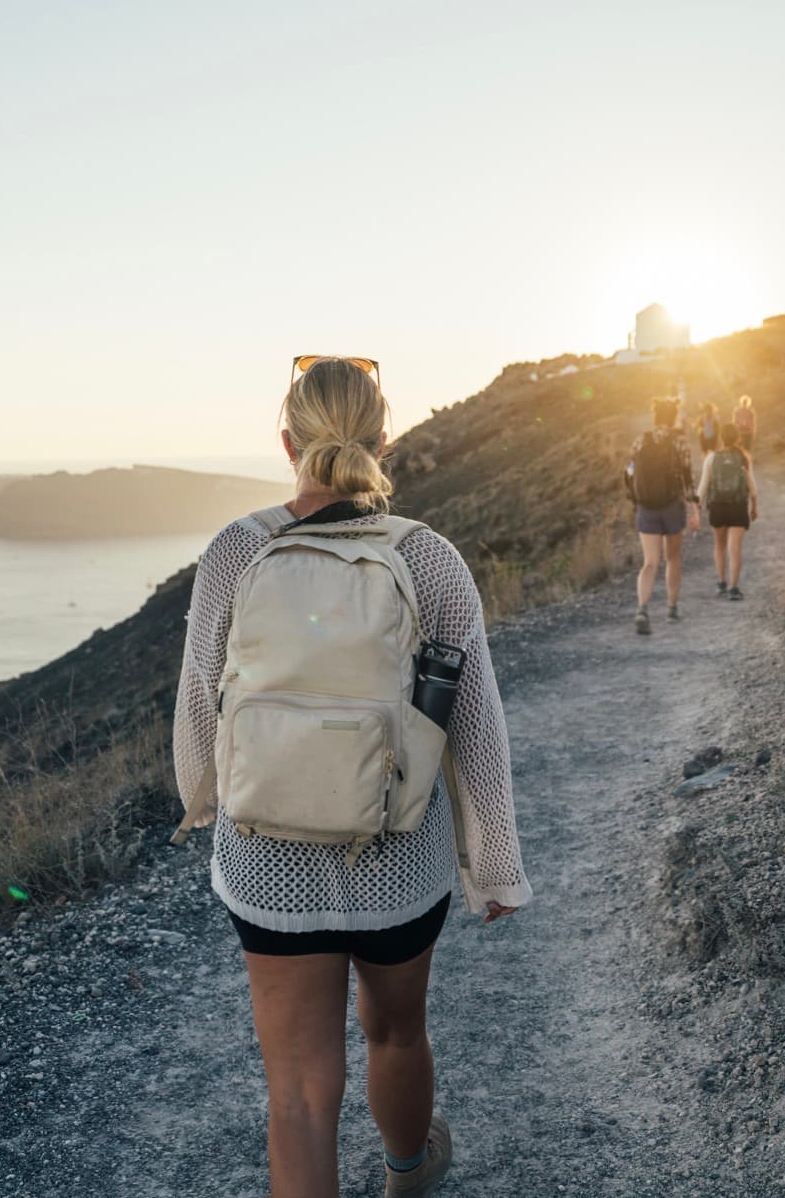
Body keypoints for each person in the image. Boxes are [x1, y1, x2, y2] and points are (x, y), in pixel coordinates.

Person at [172, 356, 531, 1198]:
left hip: (269, 860)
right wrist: (496, 864)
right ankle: (408, 1175)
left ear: (287, 440)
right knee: (397, 1035)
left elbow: (199, 706)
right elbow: (474, 725)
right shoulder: (430, 558)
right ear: (383, 438)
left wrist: (204, 802)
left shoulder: (236, 550)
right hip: (398, 860)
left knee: (298, 1092)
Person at [626, 396, 699, 634]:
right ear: (674, 416)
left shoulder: (640, 440)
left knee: (649, 562)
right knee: (673, 558)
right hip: (672, 506)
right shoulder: (679, 442)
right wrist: (695, 509)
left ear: (655, 416)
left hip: (646, 507)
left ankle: (642, 609)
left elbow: (628, 472)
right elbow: (688, 478)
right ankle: (671, 608)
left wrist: (635, 500)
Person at [702, 432, 758, 600]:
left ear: (721, 439)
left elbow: (703, 485)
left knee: (719, 546)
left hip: (717, 507)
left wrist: (697, 506)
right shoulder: (743, 457)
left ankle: (721, 583)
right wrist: (754, 507)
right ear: (737, 438)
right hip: (738, 507)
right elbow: (752, 486)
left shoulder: (711, 458)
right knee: (735, 550)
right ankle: (734, 589)